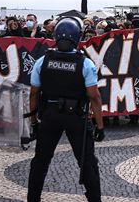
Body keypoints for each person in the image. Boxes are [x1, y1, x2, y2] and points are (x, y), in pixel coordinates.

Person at [27, 17, 104, 202]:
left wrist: (34, 122)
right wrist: (99, 126)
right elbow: (94, 96)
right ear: (77, 38)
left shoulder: (42, 61)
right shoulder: (85, 63)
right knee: (87, 163)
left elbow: (33, 94)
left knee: (40, 162)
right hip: (76, 117)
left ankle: (33, 199)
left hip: (50, 116)